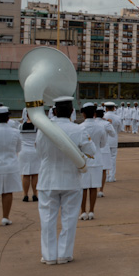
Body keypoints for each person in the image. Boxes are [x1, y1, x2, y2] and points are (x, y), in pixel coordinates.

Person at [36, 96, 96, 264]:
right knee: (69, 219)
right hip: (71, 179)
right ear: (71, 112)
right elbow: (92, 151)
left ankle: (49, 256)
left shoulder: (44, 129)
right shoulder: (79, 130)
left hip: (48, 178)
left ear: (54, 111)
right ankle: (64, 254)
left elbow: (39, 153)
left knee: (47, 219)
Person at [78, 103, 106, 220]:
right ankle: (92, 211)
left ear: (83, 113)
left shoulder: (79, 127)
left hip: (83, 159)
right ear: (94, 114)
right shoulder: (100, 127)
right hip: (96, 158)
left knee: (83, 187)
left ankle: (83, 211)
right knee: (93, 186)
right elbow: (103, 143)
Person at [18, 116, 40, 202]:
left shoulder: (20, 126)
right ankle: (35, 194)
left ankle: (25, 195)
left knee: (25, 174)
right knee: (35, 174)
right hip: (34, 151)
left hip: (23, 151)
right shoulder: (37, 127)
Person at [103, 102, 122, 182]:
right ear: (114, 108)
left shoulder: (103, 117)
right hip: (114, 139)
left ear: (106, 108)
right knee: (113, 158)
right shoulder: (117, 117)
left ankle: (106, 177)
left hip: (105, 140)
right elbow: (120, 129)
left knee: (105, 159)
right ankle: (112, 176)